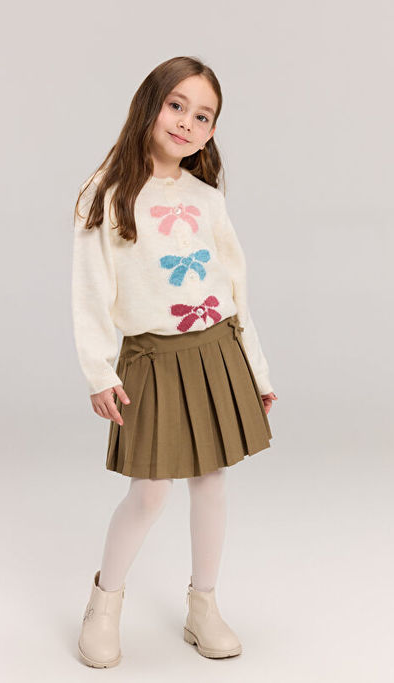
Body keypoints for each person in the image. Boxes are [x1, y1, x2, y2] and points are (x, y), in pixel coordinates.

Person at [71, 55, 278, 668]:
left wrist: (257, 370)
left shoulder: (207, 198)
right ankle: (104, 603)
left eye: (203, 116)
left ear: (211, 133)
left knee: (211, 481)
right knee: (150, 492)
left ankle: (203, 606)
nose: (187, 122)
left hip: (216, 351)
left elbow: (236, 288)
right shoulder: (105, 193)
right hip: (153, 359)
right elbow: (89, 290)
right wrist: (99, 371)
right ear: (150, 104)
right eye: (177, 105)